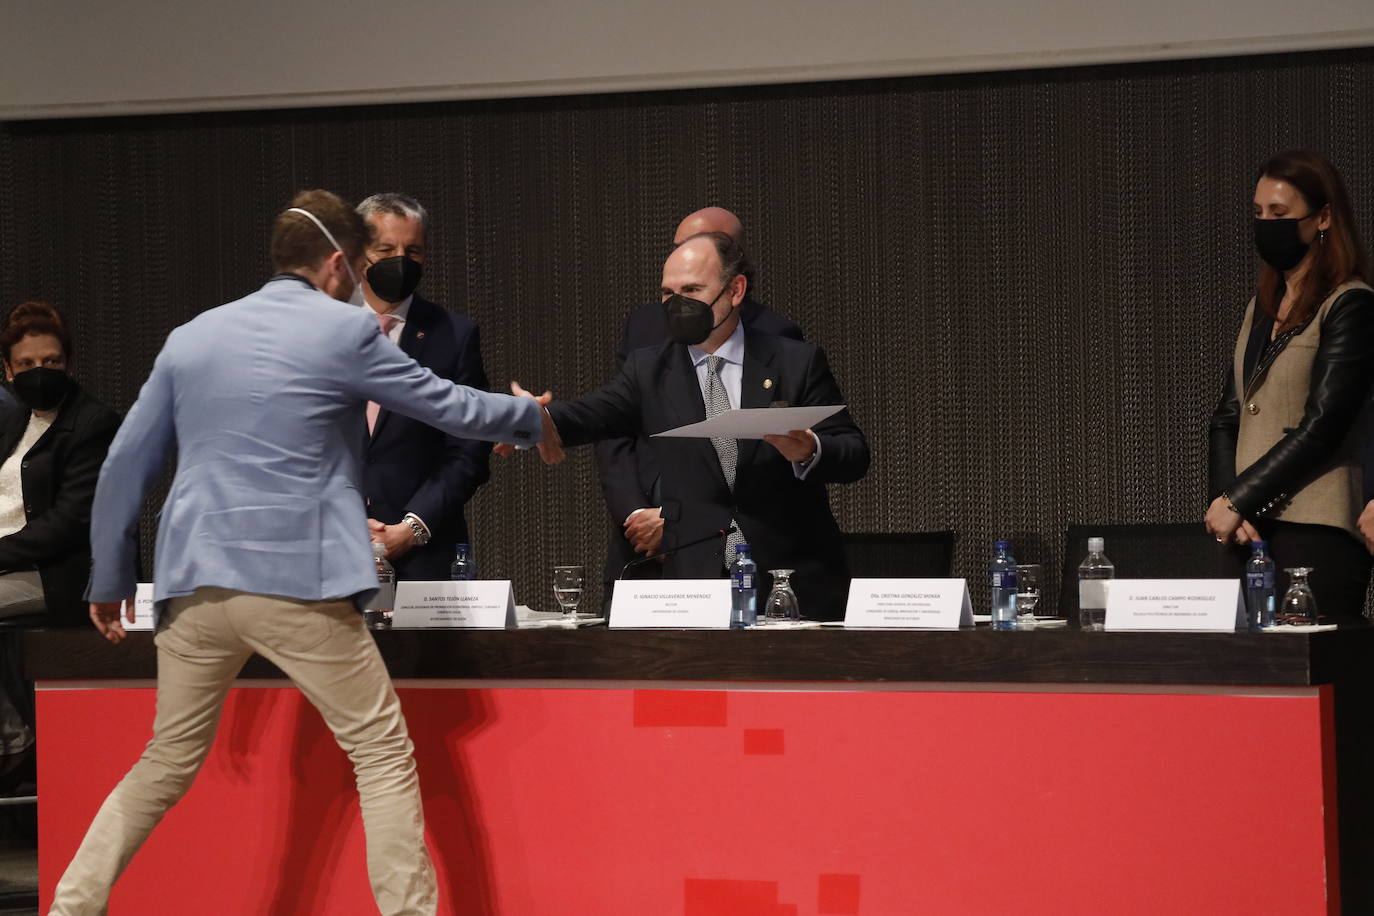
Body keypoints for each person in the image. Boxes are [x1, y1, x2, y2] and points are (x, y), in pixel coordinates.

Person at [49, 190, 558, 916]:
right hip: (296, 580)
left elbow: (126, 464)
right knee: (382, 753)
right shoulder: (344, 333)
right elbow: (446, 404)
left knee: (165, 761)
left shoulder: (191, 336)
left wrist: (106, 578)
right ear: (334, 265)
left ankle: (71, 906)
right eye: (355, 271)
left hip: (193, 584)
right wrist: (530, 417)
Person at [531, 232, 867, 620]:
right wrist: (533, 418)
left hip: (790, 582)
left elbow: (854, 454)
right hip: (694, 585)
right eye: (667, 293)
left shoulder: (795, 361)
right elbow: (592, 413)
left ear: (735, 290)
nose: (677, 305)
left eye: (691, 289)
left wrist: (809, 449)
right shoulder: (649, 369)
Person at [593, 208, 802, 603]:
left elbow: (759, 469)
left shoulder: (777, 339)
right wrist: (637, 513)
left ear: (734, 273)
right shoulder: (644, 326)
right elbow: (613, 426)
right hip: (642, 544)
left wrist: (677, 519)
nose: (677, 302)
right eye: (678, 250)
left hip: (732, 548)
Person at [1207, 150, 1374, 625]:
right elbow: (1228, 416)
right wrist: (1231, 505)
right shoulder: (1262, 307)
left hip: (1315, 527)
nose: (1266, 225)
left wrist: (1239, 498)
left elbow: (1323, 425)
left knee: (1307, 682)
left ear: (1322, 217)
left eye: (1279, 214)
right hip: (1249, 529)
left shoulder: (1350, 305)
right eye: (1258, 214)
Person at [356, 193, 492, 579]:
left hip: (425, 556)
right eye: (385, 248)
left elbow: (468, 449)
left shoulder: (455, 334)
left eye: (412, 251)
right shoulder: (318, 331)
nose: (400, 260)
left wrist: (412, 528)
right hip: (327, 555)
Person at [0, 301, 120, 624]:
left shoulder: (94, 424)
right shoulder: (16, 420)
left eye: (51, 361)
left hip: (53, 575)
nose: (39, 371)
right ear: (8, 370)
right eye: (26, 363)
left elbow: (67, 523)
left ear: (69, 364)